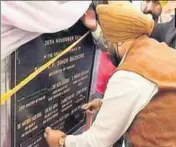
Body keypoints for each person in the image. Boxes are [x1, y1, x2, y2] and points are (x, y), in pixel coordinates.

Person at [44, 1, 176, 147]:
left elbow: (95, 143)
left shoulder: (131, 73)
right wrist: (106, 104)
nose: (107, 46)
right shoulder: (156, 49)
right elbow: (145, 97)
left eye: (107, 40)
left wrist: (61, 141)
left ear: (117, 39)